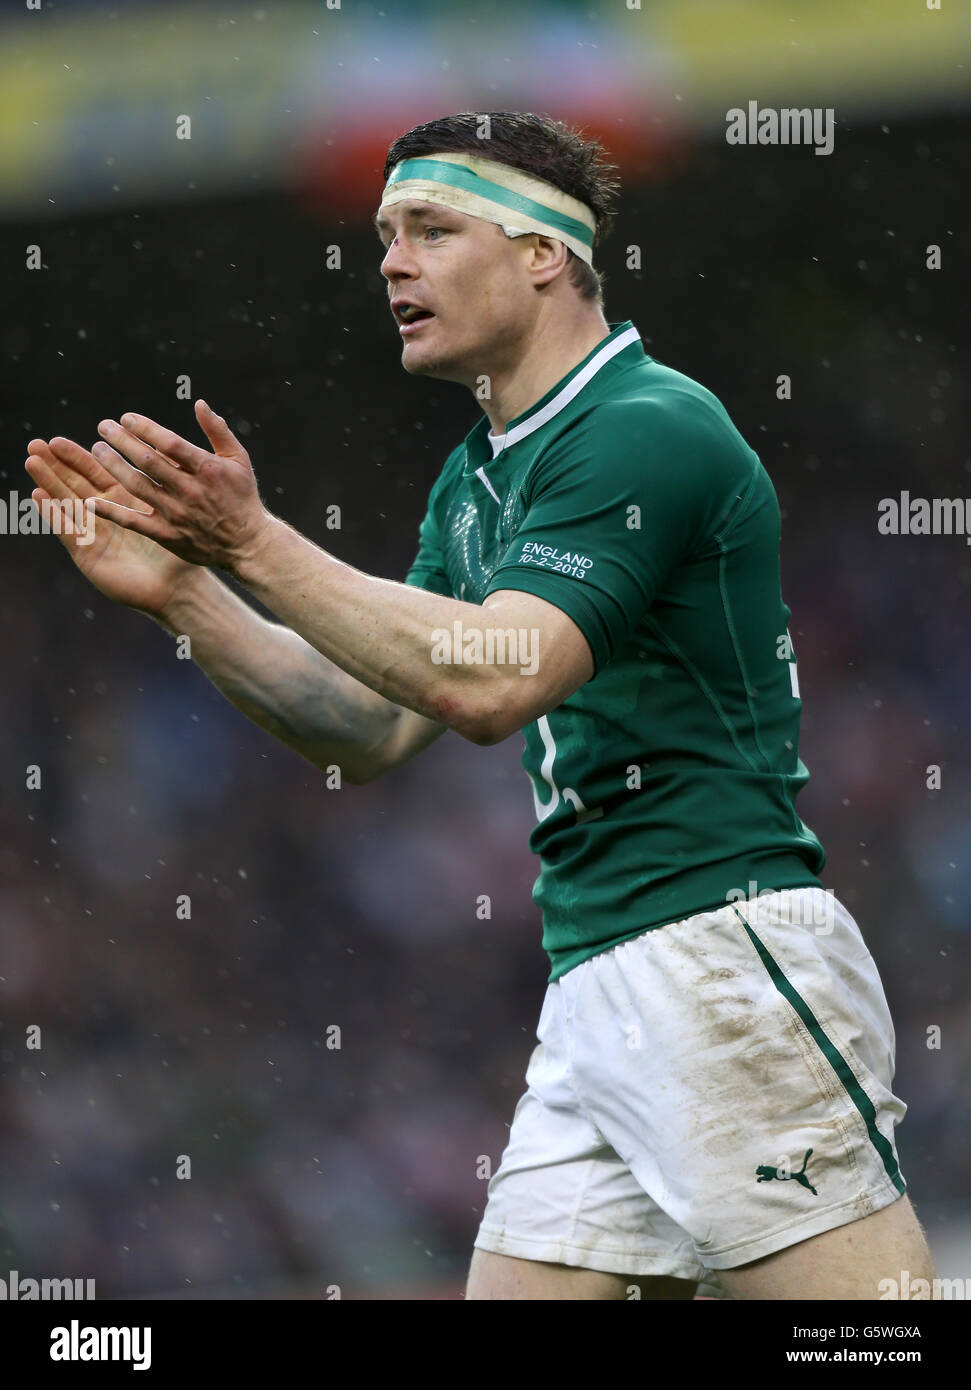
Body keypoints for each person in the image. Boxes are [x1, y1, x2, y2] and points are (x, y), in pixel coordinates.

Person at [25, 110, 933, 1300]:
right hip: (594, 979)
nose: (391, 262)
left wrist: (250, 538)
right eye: (384, 236)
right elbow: (372, 722)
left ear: (543, 255)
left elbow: (493, 678)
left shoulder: (645, 426)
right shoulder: (476, 481)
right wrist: (192, 597)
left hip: (720, 955)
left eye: (430, 230)